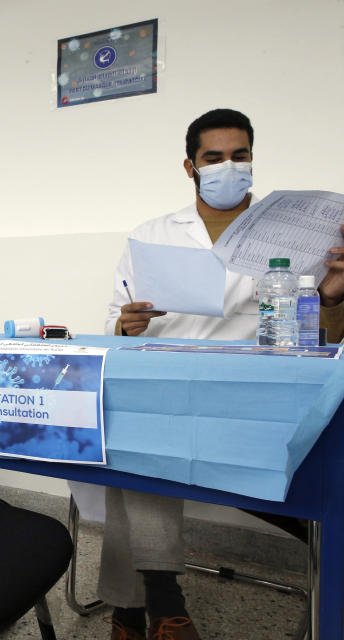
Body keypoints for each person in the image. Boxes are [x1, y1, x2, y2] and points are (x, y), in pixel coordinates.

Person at [101, 108, 344, 640]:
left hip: (253, 394)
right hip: (165, 385)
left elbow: (328, 341)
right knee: (130, 445)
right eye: (214, 158)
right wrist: (127, 324)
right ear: (190, 167)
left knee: (134, 455)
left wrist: (332, 299)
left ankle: (128, 608)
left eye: (241, 156)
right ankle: (164, 603)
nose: (229, 167)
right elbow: (112, 322)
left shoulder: (300, 235)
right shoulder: (153, 233)